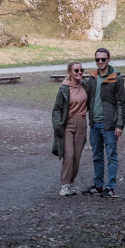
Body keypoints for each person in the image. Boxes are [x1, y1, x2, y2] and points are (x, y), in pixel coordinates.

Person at [82, 47, 125, 198]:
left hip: (109, 125)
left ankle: (110, 187)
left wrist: (120, 125)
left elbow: (122, 103)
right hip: (94, 124)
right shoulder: (93, 78)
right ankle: (98, 185)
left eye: (103, 59)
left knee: (111, 156)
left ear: (109, 59)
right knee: (96, 155)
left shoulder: (116, 78)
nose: (100, 62)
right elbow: (87, 97)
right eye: (97, 59)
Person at [51, 61, 89, 196]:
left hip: (82, 123)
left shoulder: (85, 85)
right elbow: (57, 109)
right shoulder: (64, 89)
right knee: (69, 154)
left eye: (81, 70)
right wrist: (58, 126)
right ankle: (65, 184)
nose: (79, 73)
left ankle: (71, 183)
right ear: (69, 73)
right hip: (68, 123)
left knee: (77, 157)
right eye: (76, 71)